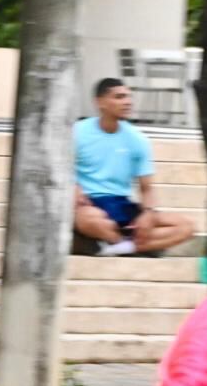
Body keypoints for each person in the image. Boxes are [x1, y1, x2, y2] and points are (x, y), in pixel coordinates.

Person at [73, 78, 195, 257]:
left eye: (129, 97)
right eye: (120, 97)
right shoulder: (78, 132)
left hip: (123, 205)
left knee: (186, 227)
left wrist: (147, 213)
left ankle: (120, 246)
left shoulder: (137, 139)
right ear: (100, 103)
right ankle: (129, 243)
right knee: (86, 219)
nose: (128, 102)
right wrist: (73, 188)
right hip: (92, 203)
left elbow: (146, 187)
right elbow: (60, 169)